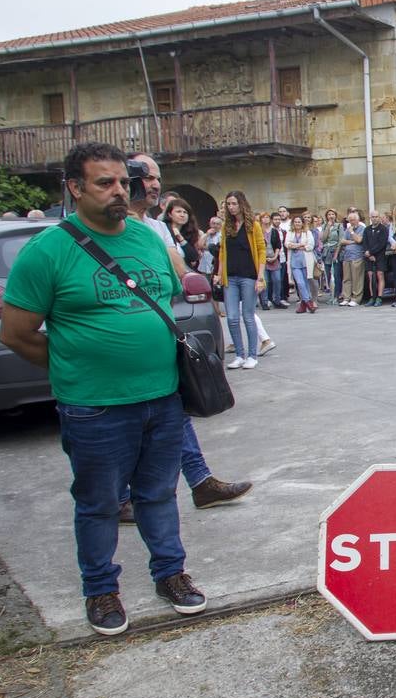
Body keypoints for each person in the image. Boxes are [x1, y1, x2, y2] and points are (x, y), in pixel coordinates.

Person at [0, 142, 208, 635]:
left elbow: (175, 291)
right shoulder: (47, 252)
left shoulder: (146, 238)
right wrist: (75, 368)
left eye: (123, 183)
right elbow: (16, 333)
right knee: (98, 504)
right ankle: (101, 589)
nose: (120, 192)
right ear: (74, 188)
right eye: (105, 183)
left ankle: (171, 575)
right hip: (94, 408)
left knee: (158, 495)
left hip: (163, 397)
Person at [122, 155, 252, 516]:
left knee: (172, 411)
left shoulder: (155, 228)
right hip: (117, 351)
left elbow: (179, 270)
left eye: (157, 178)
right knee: (125, 424)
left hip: (159, 337)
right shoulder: (105, 230)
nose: (154, 184)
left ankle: (200, 482)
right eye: (147, 177)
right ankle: (119, 497)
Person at [217, 190, 267, 369]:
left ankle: (252, 355)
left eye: (234, 204)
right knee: (231, 317)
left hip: (249, 276)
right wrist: (219, 273)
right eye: (228, 204)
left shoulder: (253, 225)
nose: (231, 207)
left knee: (248, 316)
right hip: (230, 277)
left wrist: (260, 277)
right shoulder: (226, 227)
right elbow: (223, 251)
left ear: (241, 205)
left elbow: (261, 250)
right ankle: (239, 354)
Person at [285, 216, 317, 313]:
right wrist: (300, 245)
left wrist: (296, 245)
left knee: (305, 283)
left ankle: (303, 305)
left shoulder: (307, 233)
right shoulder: (290, 233)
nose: (297, 223)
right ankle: (308, 302)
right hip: (294, 262)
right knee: (299, 283)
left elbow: (310, 246)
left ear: (302, 223)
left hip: (305, 261)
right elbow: (287, 244)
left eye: (299, 222)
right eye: (295, 222)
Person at [164, 195, 203, 270]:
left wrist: (180, 238)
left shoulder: (189, 232)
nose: (182, 215)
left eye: (185, 212)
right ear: (170, 214)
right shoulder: (163, 229)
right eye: (178, 211)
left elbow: (193, 257)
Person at [361, 210, 389, 306]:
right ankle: (372, 297)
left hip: (380, 256)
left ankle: (379, 298)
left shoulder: (383, 229)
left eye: (376, 216)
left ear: (379, 217)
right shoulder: (367, 229)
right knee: (370, 276)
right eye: (373, 217)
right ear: (370, 218)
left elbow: (382, 243)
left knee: (379, 275)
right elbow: (364, 242)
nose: (375, 218)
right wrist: (367, 252)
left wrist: (371, 252)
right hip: (368, 256)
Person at [338, 210, 366, 306]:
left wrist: (352, 233)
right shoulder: (348, 229)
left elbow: (359, 240)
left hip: (357, 256)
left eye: (353, 220)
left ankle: (356, 299)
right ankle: (346, 297)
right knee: (347, 278)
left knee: (357, 278)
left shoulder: (362, 229)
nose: (351, 222)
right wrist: (352, 241)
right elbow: (342, 241)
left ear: (357, 220)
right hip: (347, 257)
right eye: (350, 220)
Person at [263, 212, 288, 310]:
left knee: (277, 280)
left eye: (267, 217)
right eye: (264, 217)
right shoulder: (259, 230)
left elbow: (278, 245)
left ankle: (277, 300)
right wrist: (263, 257)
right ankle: (265, 301)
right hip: (263, 260)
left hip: (274, 259)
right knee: (265, 281)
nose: (265, 219)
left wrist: (275, 257)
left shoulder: (274, 231)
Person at [320, 209, 342, 305]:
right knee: (328, 275)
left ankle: (337, 295)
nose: (331, 216)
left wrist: (336, 254)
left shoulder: (339, 226)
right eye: (329, 214)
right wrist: (328, 227)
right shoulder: (324, 226)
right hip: (326, 252)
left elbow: (341, 240)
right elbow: (323, 239)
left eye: (332, 214)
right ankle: (331, 295)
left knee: (336, 275)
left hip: (335, 250)